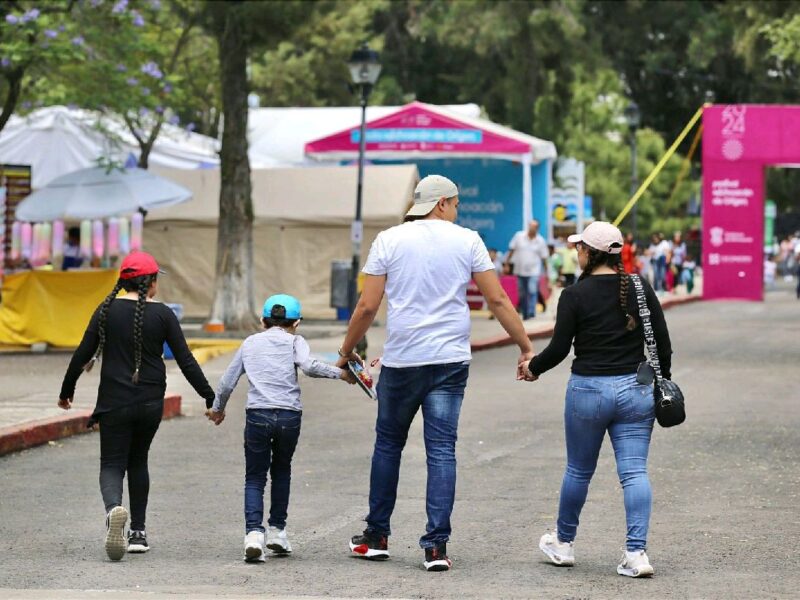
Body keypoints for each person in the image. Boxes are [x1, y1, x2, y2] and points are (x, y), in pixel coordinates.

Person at [337, 174, 535, 572]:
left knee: (389, 445)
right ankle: (435, 547)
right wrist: (525, 346)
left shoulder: (389, 240)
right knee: (441, 450)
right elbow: (496, 299)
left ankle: (376, 536)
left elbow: (367, 307)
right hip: (449, 362)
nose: (457, 211)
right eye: (456, 204)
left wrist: (346, 352)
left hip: (403, 362)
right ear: (442, 203)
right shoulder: (468, 241)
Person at [523, 221, 672, 578]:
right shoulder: (639, 287)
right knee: (634, 472)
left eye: (579, 248)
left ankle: (563, 544)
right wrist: (659, 382)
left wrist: (533, 367)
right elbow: (662, 346)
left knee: (578, 470)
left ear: (589, 254)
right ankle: (637, 554)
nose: (576, 253)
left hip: (588, 390)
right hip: (636, 390)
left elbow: (559, 349)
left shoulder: (574, 294)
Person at [58, 251, 216, 561]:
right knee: (138, 460)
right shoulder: (164, 314)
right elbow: (185, 360)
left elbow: (82, 353)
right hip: (150, 402)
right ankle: (138, 533)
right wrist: (210, 397)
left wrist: (67, 390)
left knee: (112, 464)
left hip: (114, 402)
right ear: (152, 283)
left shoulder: (105, 310)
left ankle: (114, 510)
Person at [207, 294, 355, 563]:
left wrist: (218, 409)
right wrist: (341, 374)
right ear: (296, 322)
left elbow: (228, 382)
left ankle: (253, 534)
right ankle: (277, 532)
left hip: (258, 415)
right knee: (281, 470)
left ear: (263, 320)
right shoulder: (296, 341)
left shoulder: (250, 343)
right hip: (289, 416)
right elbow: (309, 367)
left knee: (255, 476)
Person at [506, 219, 549, 318]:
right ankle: (525, 312)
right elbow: (511, 250)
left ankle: (531, 311)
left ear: (537, 228)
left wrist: (547, 273)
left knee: (532, 290)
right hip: (520, 269)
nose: (531, 228)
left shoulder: (540, 241)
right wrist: (507, 264)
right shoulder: (519, 236)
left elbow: (544, 258)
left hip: (534, 270)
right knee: (522, 293)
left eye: (534, 226)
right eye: (530, 225)